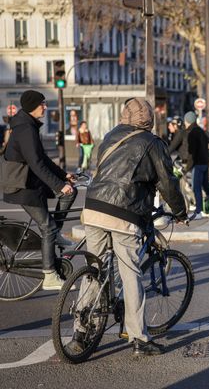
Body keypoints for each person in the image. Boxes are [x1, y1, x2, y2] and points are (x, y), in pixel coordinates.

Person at [74, 98, 187, 356]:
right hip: (124, 213)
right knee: (130, 273)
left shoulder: (111, 135)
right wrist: (180, 212)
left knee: (95, 269)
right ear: (149, 120)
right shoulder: (154, 143)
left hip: (92, 208)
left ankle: (80, 332)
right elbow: (168, 183)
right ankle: (139, 339)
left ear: (125, 116)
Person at [2, 90, 76, 290]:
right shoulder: (26, 129)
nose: (45, 106)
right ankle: (50, 276)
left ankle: (56, 233)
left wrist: (63, 176)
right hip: (22, 186)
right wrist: (60, 185)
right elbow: (36, 163)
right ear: (32, 106)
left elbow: (41, 158)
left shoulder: (28, 126)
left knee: (72, 193)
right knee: (48, 227)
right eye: (42, 104)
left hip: (30, 183)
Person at [184, 111, 209, 219]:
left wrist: (187, 167)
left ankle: (199, 211)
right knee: (205, 185)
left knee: (196, 188)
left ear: (187, 121)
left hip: (198, 163)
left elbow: (192, 152)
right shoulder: (200, 130)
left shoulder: (192, 133)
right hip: (205, 162)